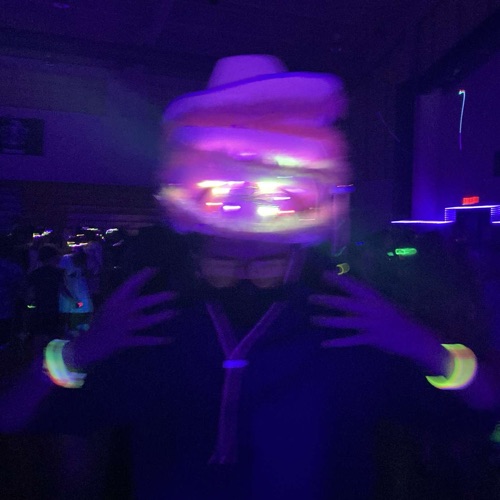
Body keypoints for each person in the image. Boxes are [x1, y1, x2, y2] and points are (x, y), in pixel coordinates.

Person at [0, 55, 497, 499]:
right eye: (223, 193)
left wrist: (423, 346)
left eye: (275, 194)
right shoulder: (153, 327)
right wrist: (78, 353)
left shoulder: (346, 327)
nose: (247, 211)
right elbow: (14, 416)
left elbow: (488, 412)